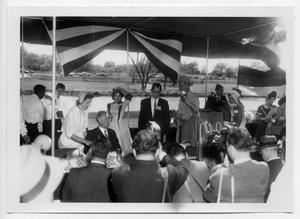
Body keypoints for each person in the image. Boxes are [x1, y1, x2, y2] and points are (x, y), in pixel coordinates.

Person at [110, 129, 187, 202]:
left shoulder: (118, 173)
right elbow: (182, 167)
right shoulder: (169, 174)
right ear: (157, 152)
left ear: (134, 151)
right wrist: (163, 155)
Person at [204, 127, 269, 203]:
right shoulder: (264, 168)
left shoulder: (219, 176)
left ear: (230, 147)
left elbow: (207, 196)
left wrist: (223, 168)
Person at [107, 87, 133, 154]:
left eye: (119, 96)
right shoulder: (109, 105)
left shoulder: (123, 105)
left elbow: (129, 96)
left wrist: (123, 90)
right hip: (111, 126)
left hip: (121, 127)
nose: (117, 97)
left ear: (122, 97)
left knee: (122, 145)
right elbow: (107, 116)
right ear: (113, 96)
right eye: (116, 96)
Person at [259, 135, 284, 202]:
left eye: (261, 151)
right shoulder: (285, 165)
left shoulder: (263, 170)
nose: (261, 154)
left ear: (265, 151)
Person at [175, 75, 199, 145]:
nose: (179, 87)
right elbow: (181, 111)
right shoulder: (182, 96)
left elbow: (196, 110)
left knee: (189, 147)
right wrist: (176, 116)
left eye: (181, 85)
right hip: (181, 126)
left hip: (190, 127)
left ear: (187, 85)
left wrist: (186, 101)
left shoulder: (194, 97)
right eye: (179, 85)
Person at [42, 83, 66, 149]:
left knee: (56, 139)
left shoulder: (61, 98)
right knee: (48, 140)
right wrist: (51, 99)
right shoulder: (48, 96)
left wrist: (64, 121)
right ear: (55, 89)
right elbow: (49, 109)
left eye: (62, 91)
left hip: (57, 121)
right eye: (59, 91)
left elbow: (59, 111)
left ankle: (55, 151)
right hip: (48, 121)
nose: (60, 93)